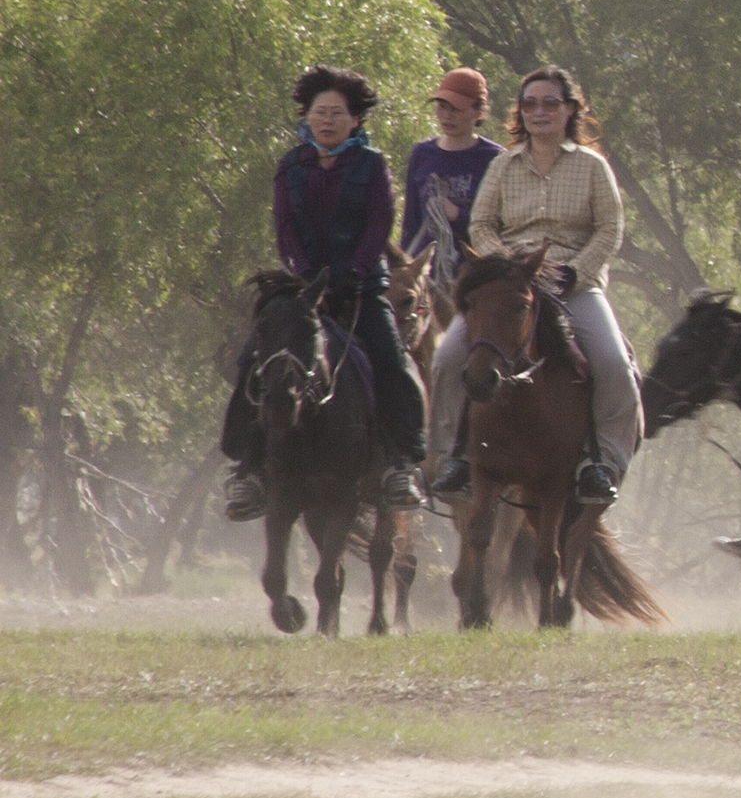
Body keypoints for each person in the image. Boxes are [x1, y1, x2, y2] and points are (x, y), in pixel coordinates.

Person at [423, 66, 644, 509]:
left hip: (572, 285)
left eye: (549, 103)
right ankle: (454, 460)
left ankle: (600, 463)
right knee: (448, 358)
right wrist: (505, 265)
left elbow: (609, 229)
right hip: (508, 286)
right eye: (529, 104)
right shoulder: (503, 165)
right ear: (519, 113)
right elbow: (482, 224)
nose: (539, 112)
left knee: (614, 364)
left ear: (569, 110)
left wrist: (575, 271)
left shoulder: (592, 166)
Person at [221, 66, 429, 519]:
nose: (328, 120)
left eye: (338, 113)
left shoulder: (372, 164)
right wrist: (306, 274)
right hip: (301, 288)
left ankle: (400, 464)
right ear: (307, 117)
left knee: (394, 362)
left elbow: (379, 224)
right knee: (252, 361)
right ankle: (248, 470)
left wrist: (351, 272)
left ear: (355, 120)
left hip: (360, 287)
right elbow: (284, 229)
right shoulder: (290, 165)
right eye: (320, 112)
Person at [400, 67, 505, 294]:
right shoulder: (422, 153)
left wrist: (458, 215)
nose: (447, 116)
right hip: (425, 271)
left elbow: (502, 225)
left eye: (456, 109)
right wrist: (403, 264)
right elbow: (411, 221)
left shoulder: (495, 158)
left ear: (478, 112)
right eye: (442, 107)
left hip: (473, 273)